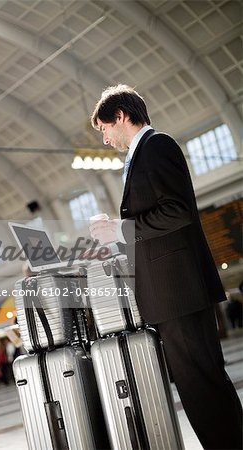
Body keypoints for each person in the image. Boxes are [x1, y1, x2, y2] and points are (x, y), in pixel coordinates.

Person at [89, 84, 242, 450]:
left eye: (105, 128)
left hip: (179, 291)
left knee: (201, 383)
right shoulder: (140, 156)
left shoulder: (156, 146)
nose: (106, 138)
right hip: (171, 292)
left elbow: (177, 211)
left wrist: (120, 230)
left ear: (122, 116)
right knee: (197, 385)